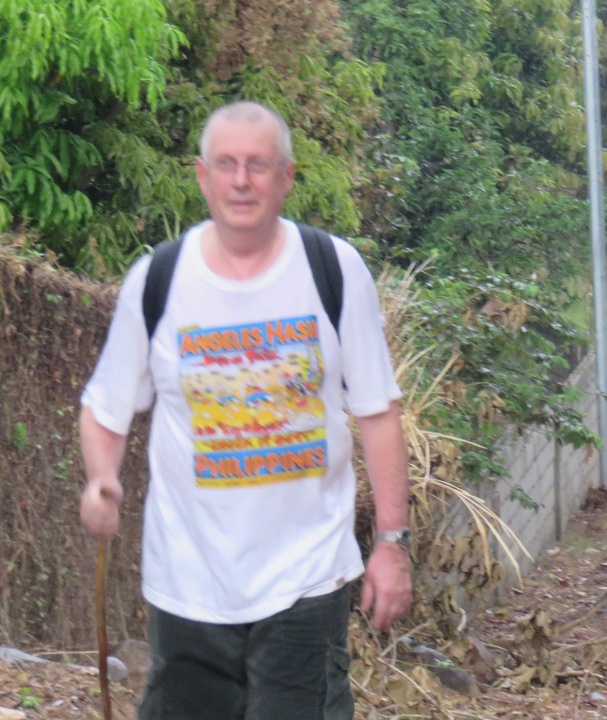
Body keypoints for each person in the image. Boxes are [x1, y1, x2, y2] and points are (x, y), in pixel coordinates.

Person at [78, 101, 411, 720]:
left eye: (258, 165)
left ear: (286, 177)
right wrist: (102, 479)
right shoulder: (158, 279)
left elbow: (378, 412)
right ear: (203, 176)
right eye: (227, 164)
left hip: (308, 581)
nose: (241, 181)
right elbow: (105, 409)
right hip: (187, 586)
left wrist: (391, 543)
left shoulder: (334, 270)